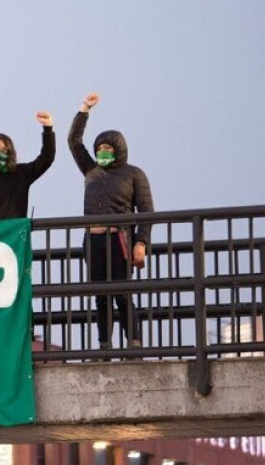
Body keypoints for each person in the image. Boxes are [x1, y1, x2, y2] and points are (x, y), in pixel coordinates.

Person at [69, 92, 154, 351]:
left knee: (122, 294)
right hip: (92, 240)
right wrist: (84, 110)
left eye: (108, 148)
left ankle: (134, 344)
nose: (102, 152)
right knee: (100, 297)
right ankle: (104, 346)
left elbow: (147, 211)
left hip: (120, 239)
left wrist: (141, 242)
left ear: (119, 150)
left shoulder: (133, 174)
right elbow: (74, 141)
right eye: (99, 149)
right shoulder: (91, 170)